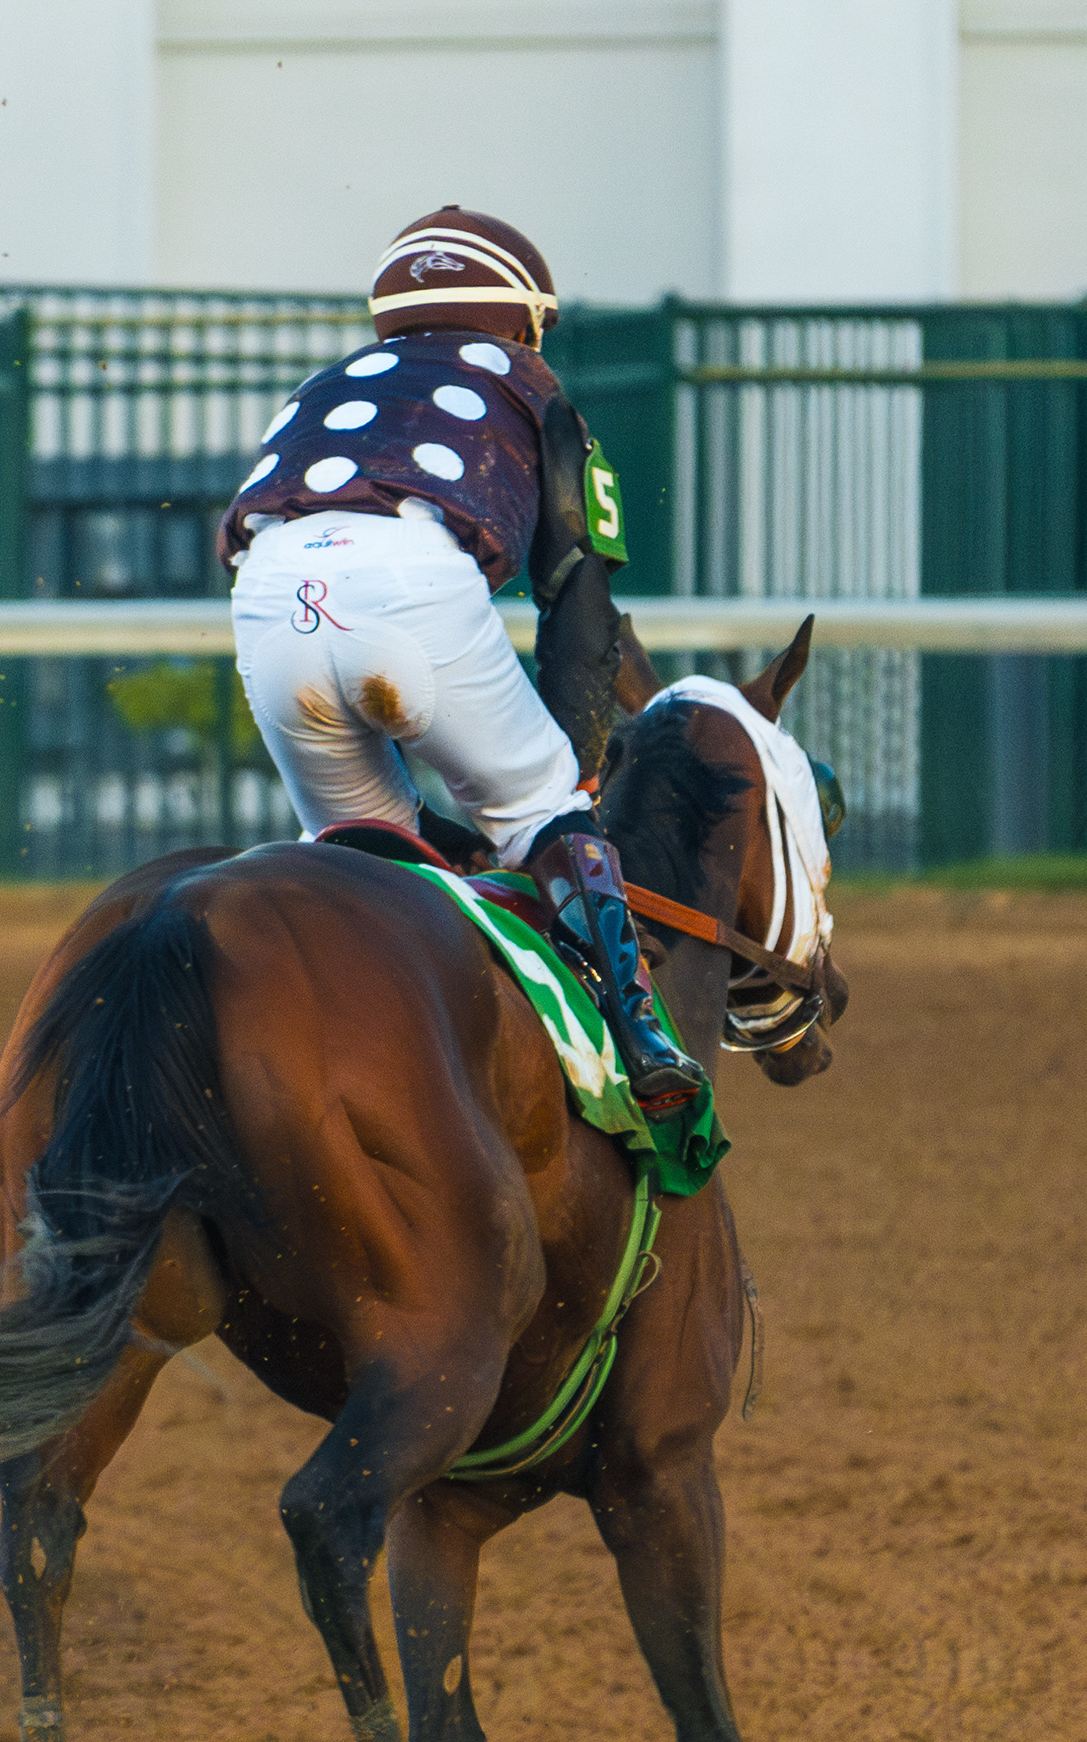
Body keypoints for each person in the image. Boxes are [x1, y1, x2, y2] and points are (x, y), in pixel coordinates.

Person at [217, 207, 703, 1114]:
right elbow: (579, 615)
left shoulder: (320, 388)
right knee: (540, 806)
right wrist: (575, 788)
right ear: (522, 322)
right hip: (407, 588)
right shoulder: (540, 393)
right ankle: (642, 1040)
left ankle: (334, 1061)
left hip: (271, 600)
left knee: (368, 852)